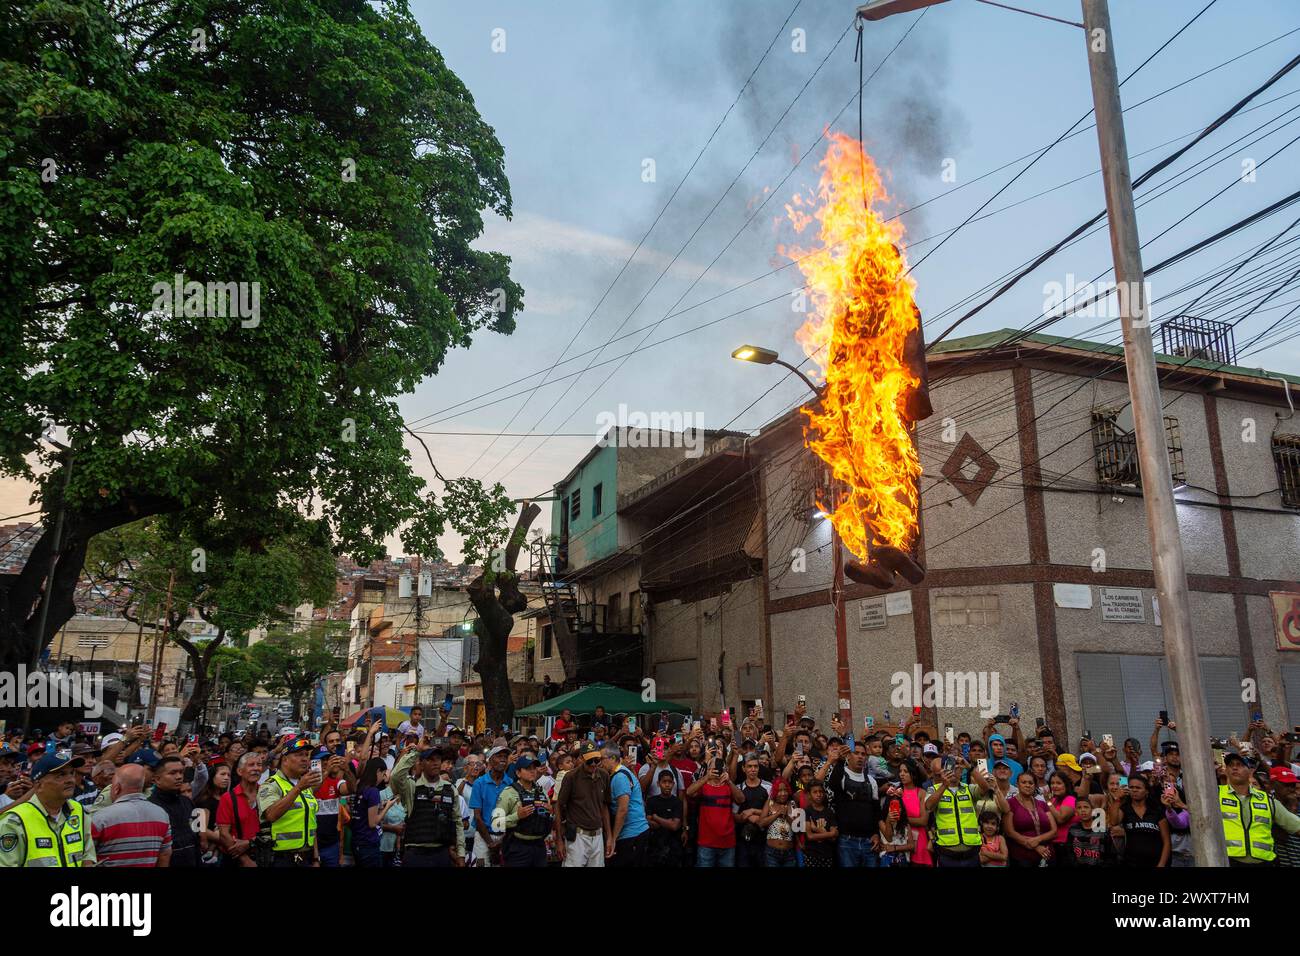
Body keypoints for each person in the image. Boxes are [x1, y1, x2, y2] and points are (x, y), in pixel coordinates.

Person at [0, 753, 95, 867]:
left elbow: (87, 856)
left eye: (71, 773)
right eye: (60, 775)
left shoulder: (78, 810)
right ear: (39, 785)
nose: (70, 780)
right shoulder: (15, 821)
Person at [1218, 751, 1300, 865]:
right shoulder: (1215, 795)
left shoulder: (1266, 799)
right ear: (1226, 770)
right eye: (1231, 765)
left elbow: (1295, 825)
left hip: (1264, 862)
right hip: (1228, 861)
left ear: (1251, 771)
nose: (1234, 768)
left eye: (1240, 765)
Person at [390, 743, 465, 866]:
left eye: (438, 759)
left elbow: (458, 822)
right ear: (421, 763)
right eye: (430, 760)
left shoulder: (450, 789)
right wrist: (415, 753)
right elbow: (396, 776)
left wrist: (461, 854)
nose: (435, 763)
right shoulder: (412, 787)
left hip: (441, 853)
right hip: (415, 853)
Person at [91, 764, 172, 867]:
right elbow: (165, 855)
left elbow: (86, 857)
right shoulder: (161, 815)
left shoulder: (101, 818)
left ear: (116, 788)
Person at [258, 735, 321, 867]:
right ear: (285, 759)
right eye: (299, 755)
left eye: (306, 755)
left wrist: (316, 859)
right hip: (281, 858)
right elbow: (270, 815)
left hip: (306, 857)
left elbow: (311, 823)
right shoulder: (271, 784)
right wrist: (298, 788)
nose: (305, 759)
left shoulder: (305, 785)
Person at [555, 742, 613, 867]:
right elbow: (559, 806)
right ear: (581, 759)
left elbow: (604, 807)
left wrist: (609, 837)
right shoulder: (571, 777)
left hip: (597, 835)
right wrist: (559, 840)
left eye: (596, 760)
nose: (593, 764)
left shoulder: (604, 775)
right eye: (589, 761)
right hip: (577, 837)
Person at [494, 755, 551, 867]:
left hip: (539, 846)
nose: (532, 771)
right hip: (518, 846)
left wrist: (550, 813)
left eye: (534, 768)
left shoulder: (542, 792)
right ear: (518, 773)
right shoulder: (508, 792)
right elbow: (496, 823)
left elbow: (547, 817)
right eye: (528, 768)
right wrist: (517, 816)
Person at [687, 753, 742, 867]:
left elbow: (741, 799)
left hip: (727, 842)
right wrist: (707, 777)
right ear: (709, 768)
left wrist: (729, 781)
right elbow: (689, 792)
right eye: (714, 766)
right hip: (706, 843)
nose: (717, 769)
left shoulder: (728, 786)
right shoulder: (703, 785)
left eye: (719, 766)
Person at [927, 755, 982, 867]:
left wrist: (969, 767)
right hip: (947, 853)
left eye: (957, 768)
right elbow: (928, 806)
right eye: (950, 768)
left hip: (971, 852)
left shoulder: (969, 788)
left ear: (961, 771)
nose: (953, 771)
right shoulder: (934, 789)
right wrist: (944, 785)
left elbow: (985, 788)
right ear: (943, 771)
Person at [1109, 771, 1169, 867]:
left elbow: (1166, 842)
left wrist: (1161, 864)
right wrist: (1117, 799)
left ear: (1146, 791)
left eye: (1138, 788)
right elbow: (1113, 821)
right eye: (1131, 787)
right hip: (1131, 862)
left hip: (1155, 862)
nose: (1134, 790)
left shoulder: (1156, 811)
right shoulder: (1125, 809)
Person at [602, 743, 648, 866]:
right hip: (631, 832)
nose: (600, 763)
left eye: (602, 759)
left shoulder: (620, 777)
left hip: (632, 833)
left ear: (612, 758)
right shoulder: (618, 773)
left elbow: (622, 809)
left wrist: (613, 838)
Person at [149, 755, 198, 867]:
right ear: (157, 779)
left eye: (181, 772)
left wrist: (203, 834)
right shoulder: (150, 806)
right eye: (173, 773)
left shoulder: (187, 801)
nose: (179, 777)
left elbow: (198, 825)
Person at [216, 752, 263, 867]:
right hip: (236, 859)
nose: (256, 768)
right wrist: (245, 860)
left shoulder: (266, 794)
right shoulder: (228, 798)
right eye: (251, 765)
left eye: (259, 764)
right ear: (239, 771)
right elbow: (224, 834)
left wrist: (249, 843)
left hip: (263, 855)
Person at [1004, 770, 1056, 867]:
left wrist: (1037, 840)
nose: (1027, 785)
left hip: (1047, 854)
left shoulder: (1042, 804)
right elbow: (1009, 831)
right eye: (1023, 782)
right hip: (1023, 857)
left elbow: (1054, 830)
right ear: (1017, 785)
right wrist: (1035, 846)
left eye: (1031, 783)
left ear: (1035, 786)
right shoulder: (1010, 803)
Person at [469, 745, 510, 866]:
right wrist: (491, 843)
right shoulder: (480, 783)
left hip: (504, 836)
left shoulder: (511, 783)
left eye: (505, 757)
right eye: (499, 756)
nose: (503, 759)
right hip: (483, 835)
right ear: (490, 760)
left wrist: (500, 842)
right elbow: (477, 816)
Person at [349, 757, 392, 867]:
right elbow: (372, 823)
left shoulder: (359, 787)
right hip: (368, 844)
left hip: (356, 841)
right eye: (383, 775)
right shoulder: (373, 791)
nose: (383, 779)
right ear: (378, 771)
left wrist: (379, 806)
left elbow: (362, 809)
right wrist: (387, 807)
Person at [644, 769, 683, 867]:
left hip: (672, 848)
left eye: (670, 782)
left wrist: (656, 817)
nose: (667, 785)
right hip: (654, 848)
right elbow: (650, 824)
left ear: (673, 784)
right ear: (658, 783)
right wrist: (667, 822)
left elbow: (674, 826)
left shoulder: (677, 802)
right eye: (664, 782)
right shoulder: (652, 801)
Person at [759, 779, 797, 867]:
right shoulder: (770, 803)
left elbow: (798, 829)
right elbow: (761, 823)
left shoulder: (792, 804)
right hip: (771, 853)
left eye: (785, 790)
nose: (783, 793)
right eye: (779, 791)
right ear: (775, 792)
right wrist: (777, 814)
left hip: (789, 853)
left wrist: (787, 816)